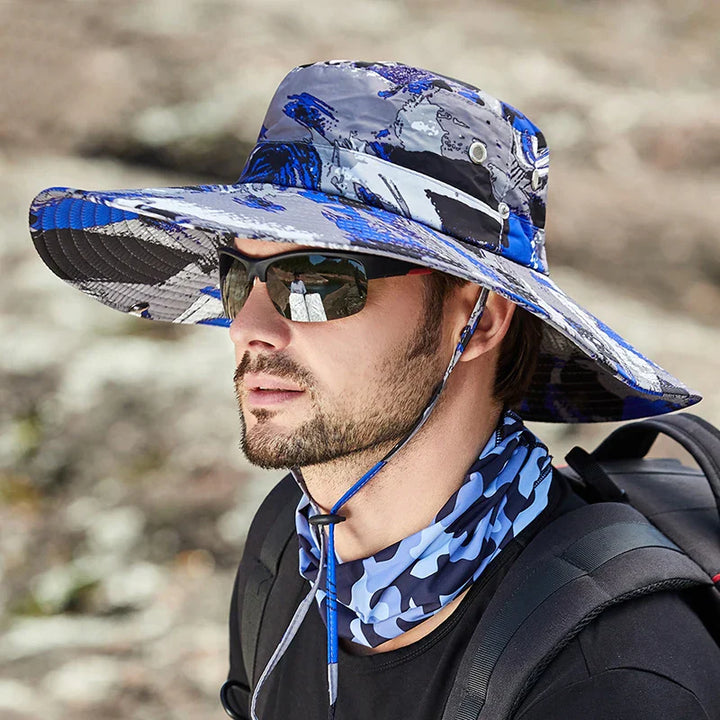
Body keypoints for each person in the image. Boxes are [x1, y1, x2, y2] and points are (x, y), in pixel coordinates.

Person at [28, 60, 720, 719]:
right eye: (238, 277)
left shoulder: (614, 679)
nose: (250, 329)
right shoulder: (288, 547)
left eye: (316, 281)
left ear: (478, 319)